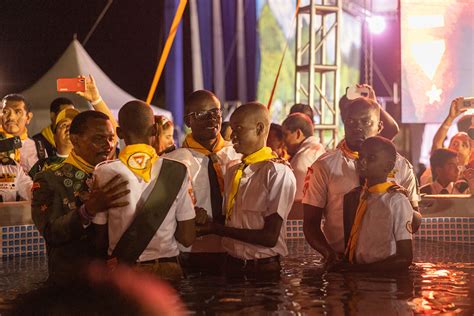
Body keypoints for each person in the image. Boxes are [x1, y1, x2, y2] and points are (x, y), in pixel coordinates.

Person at [303, 97, 420, 267]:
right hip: (340, 262)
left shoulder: (400, 166)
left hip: (387, 265)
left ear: (379, 126)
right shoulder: (324, 166)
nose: (357, 127)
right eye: (350, 121)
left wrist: (400, 201)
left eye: (365, 121)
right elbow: (310, 223)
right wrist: (330, 255)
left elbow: (414, 224)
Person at [93, 101, 196, 280]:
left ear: (119, 133)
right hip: (167, 270)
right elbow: (187, 237)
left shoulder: (104, 171)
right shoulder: (177, 170)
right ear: (155, 130)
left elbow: (98, 236)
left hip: (125, 272)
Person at [197, 102, 296, 277]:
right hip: (232, 266)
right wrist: (205, 219)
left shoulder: (276, 172)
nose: (232, 136)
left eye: (239, 129)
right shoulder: (234, 171)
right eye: (232, 129)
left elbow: (269, 237)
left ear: (259, 129)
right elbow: (231, 221)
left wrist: (215, 229)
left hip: (262, 271)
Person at [31, 111, 129, 284]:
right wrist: (87, 211)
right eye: (98, 139)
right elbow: (51, 232)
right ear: (75, 140)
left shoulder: (118, 175)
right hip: (71, 284)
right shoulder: (50, 179)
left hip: (114, 281)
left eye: (111, 138)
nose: (108, 145)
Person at [165, 90, 240, 276]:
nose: (212, 119)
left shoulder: (238, 156)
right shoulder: (174, 162)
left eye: (216, 112)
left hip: (235, 250)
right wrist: (187, 213)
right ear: (188, 121)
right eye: (202, 114)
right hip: (192, 253)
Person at [337, 136, 413, 272]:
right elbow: (350, 242)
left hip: (381, 281)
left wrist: (358, 272)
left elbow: (405, 258)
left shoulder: (396, 201)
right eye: (360, 156)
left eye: (371, 158)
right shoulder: (355, 197)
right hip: (357, 279)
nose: (362, 162)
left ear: (389, 166)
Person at [420, 97, 473, 185]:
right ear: (448, 148)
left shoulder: (471, 173)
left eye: (464, 145)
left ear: (470, 153)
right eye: (455, 143)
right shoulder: (439, 170)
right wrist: (450, 117)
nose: (458, 147)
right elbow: (437, 145)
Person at [282, 113, 325, 216]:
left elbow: (297, 205)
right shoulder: (320, 150)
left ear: (297, 134)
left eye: (285, 135)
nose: (283, 141)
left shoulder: (301, 161)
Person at [29, 108, 80, 179]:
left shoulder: (87, 163)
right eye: (64, 125)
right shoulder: (42, 165)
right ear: (54, 137)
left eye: (73, 126)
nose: (69, 128)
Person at [1, 94, 39, 173]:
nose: (11, 117)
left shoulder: (38, 147)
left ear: (28, 118)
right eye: (5, 111)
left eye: (17, 112)